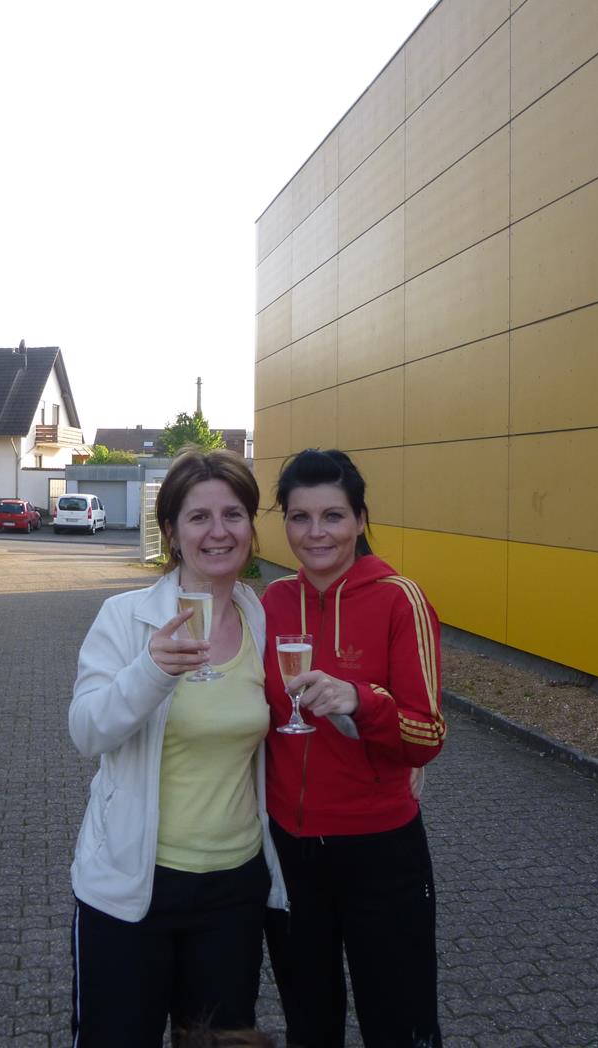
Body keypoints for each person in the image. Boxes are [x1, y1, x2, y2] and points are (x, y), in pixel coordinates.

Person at [68, 447, 287, 1046]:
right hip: (133, 886)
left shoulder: (263, 620)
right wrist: (150, 672)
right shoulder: (125, 617)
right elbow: (86, 731)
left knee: (218, 1041)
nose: (219, 532)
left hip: (234, 888)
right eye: (199, 517)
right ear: (171, 531)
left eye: (233, 514)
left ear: (250, 527)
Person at [262, 448, 446, 1048]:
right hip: (290, 850)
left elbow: (428, 734)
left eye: (333, 516)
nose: (316, 533)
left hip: (379, 850)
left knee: (399, 1025)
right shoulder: (271, 602)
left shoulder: (400, 599)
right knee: (309, 1025)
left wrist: (362, 701)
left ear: (361, 519)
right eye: (300, 517)